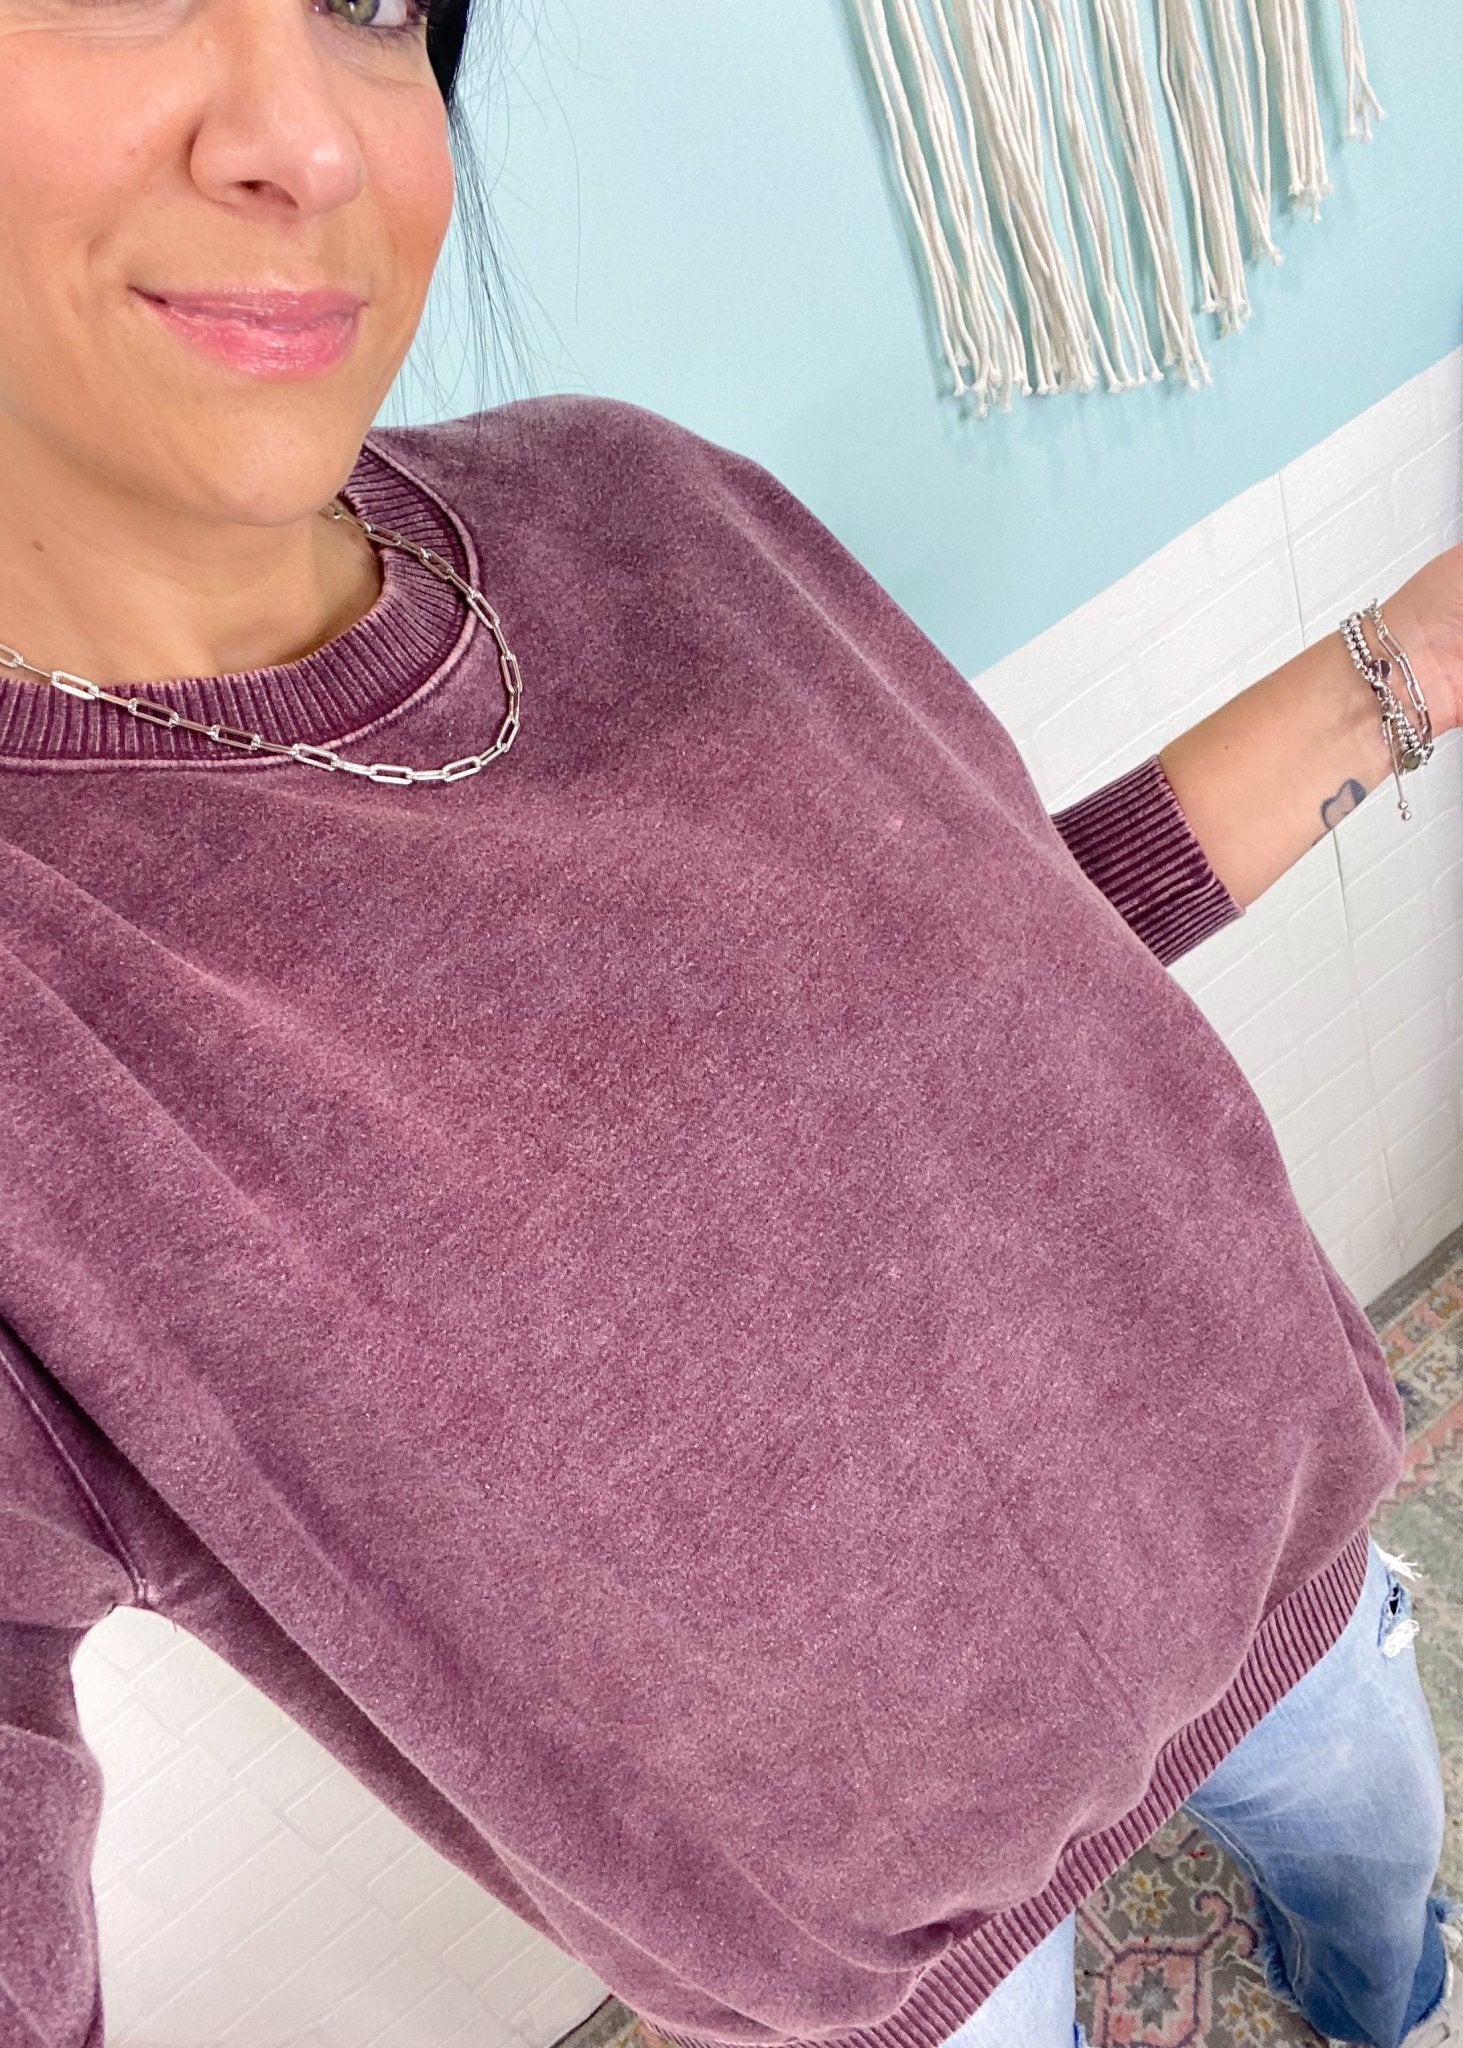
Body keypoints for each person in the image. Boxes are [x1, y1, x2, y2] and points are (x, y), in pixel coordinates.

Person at [1, 3, 1460, 2047]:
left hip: (1284, 1583)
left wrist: (1415, 654)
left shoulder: (639, 502)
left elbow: (1021, 972)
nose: (307, 139)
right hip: (922, 1963)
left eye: (371, 6)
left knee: (1386, 1937)